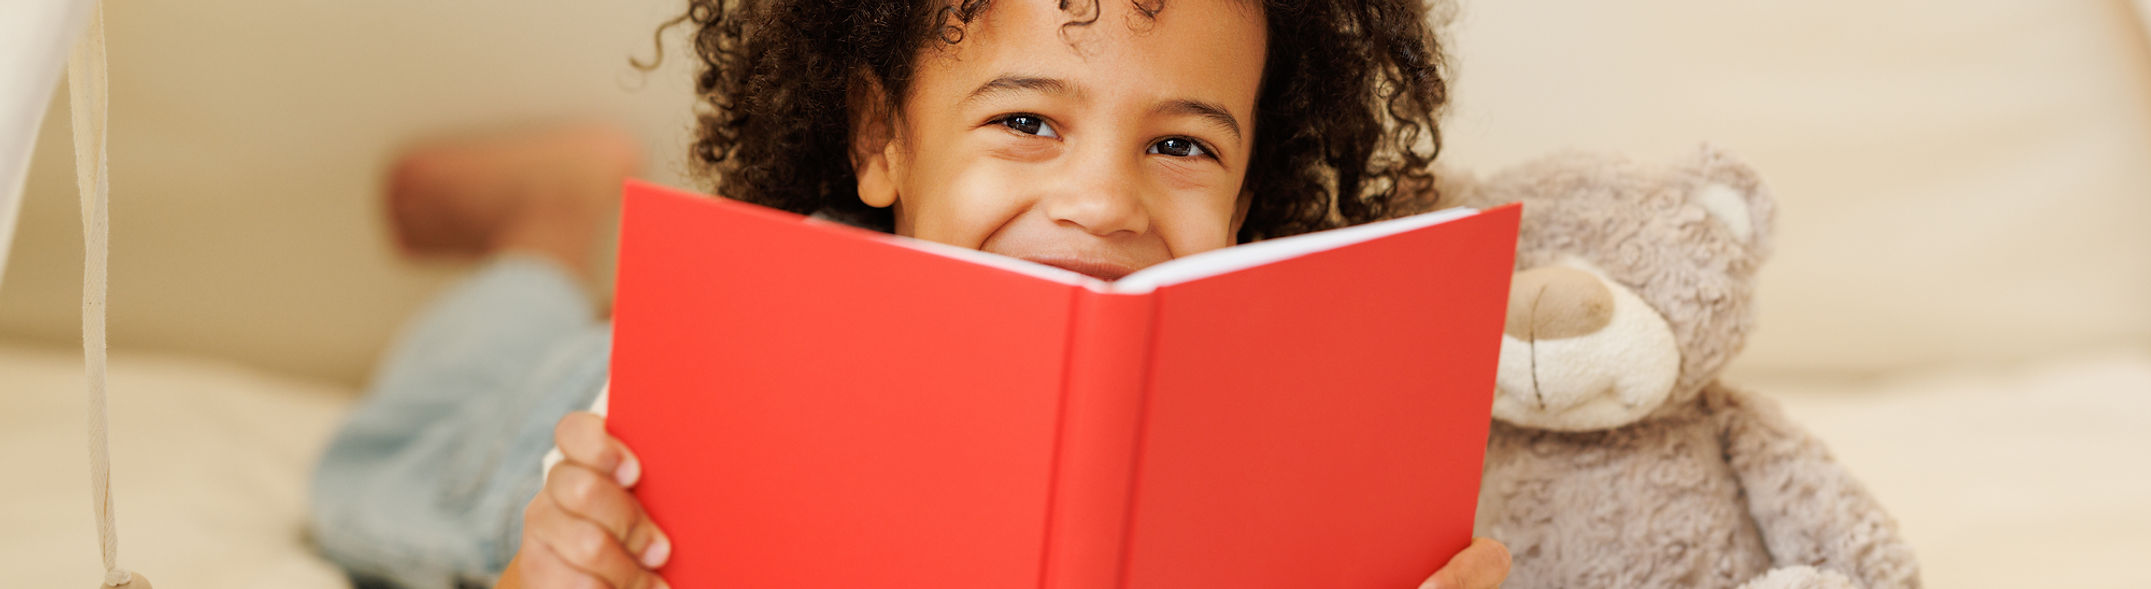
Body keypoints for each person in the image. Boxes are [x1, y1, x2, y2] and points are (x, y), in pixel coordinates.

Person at [310, 1, 1512, 588]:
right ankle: (543, 225)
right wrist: (553, 570)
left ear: (1249, 191)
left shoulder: (1248, 418)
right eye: (1028, 121)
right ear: (882, 137)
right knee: (401, 461)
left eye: (1183, 146)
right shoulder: (747, 370)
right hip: (591, 422)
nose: (1103, 201)